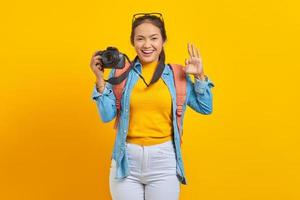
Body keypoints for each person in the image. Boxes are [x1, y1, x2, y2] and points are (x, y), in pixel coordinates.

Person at [89, 12, 214, 200]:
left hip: (164, 160)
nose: (147, 45)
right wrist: (100, 80)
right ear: (132, 42)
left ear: (163, 40)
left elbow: (206, 107)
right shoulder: (120, 73)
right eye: (140, 39)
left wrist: (199, 76)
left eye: (154, 38)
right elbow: (106, 116)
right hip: (126, 160)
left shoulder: (177, 73)